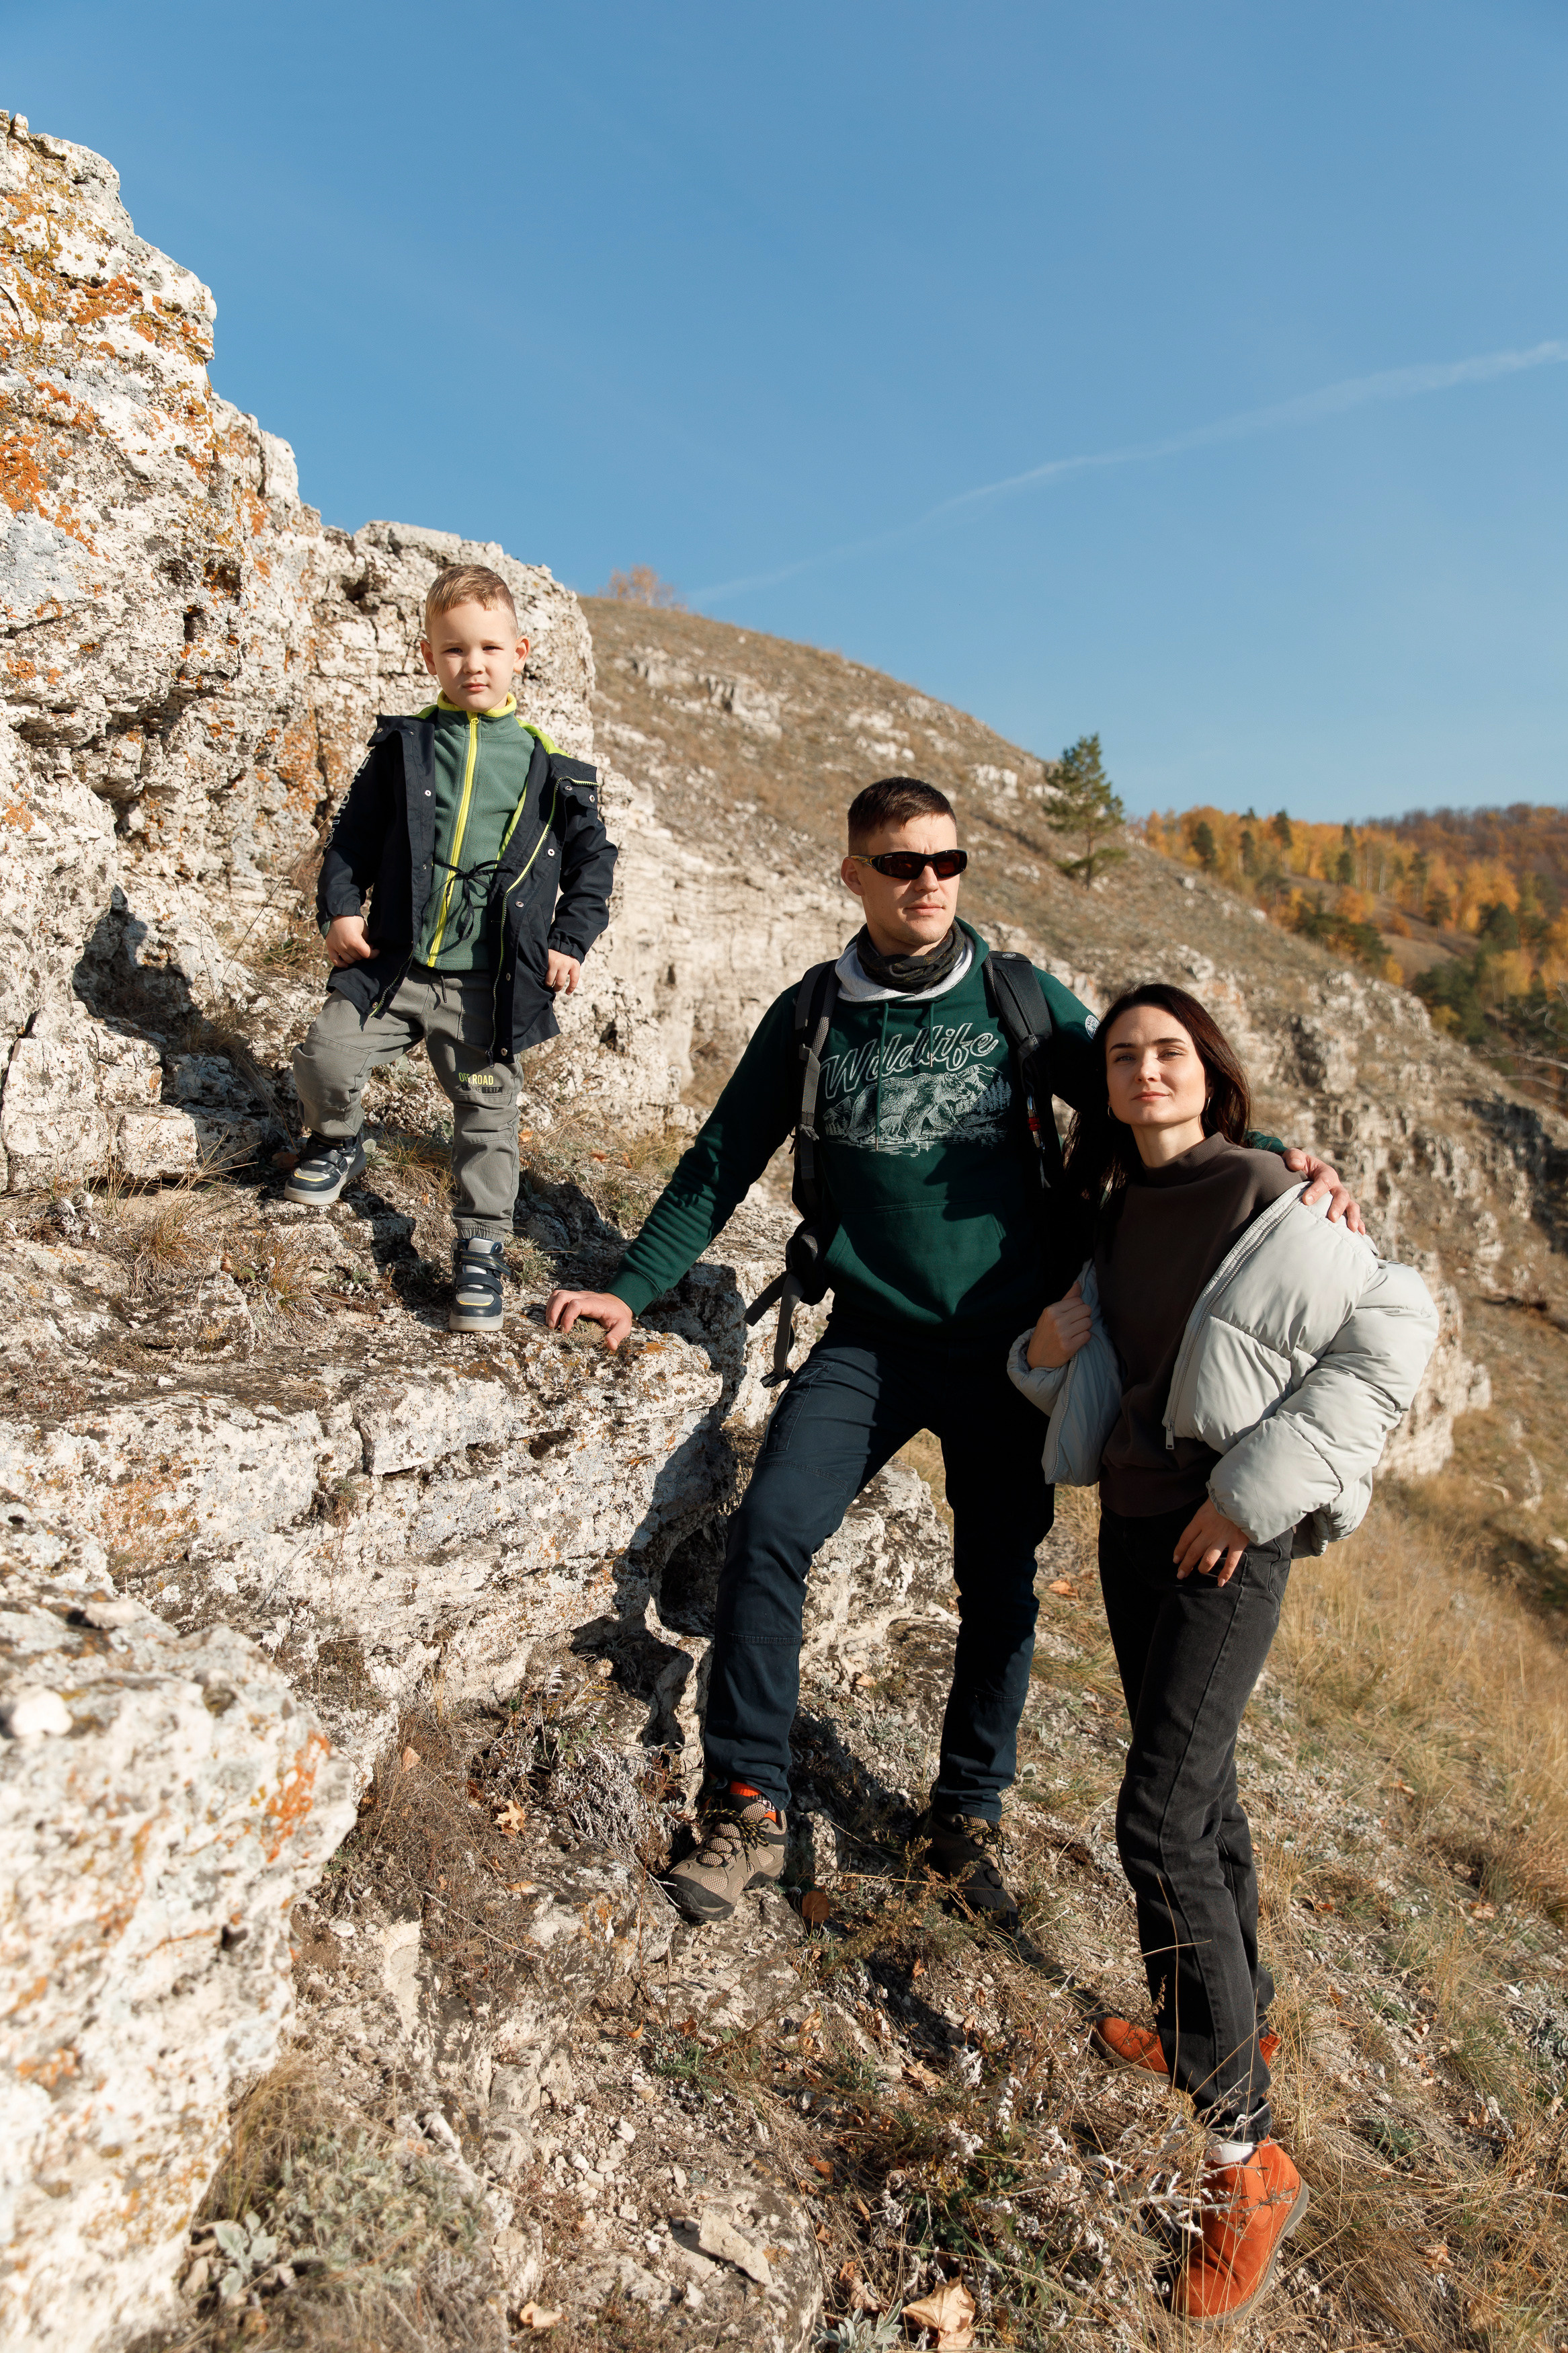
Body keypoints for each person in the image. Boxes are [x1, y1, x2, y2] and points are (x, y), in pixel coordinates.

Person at [546, 778, 1360, 1929]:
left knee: (998, 1586)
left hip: (1015, 1355)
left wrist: (1279, 1162)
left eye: (946, 861)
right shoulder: (812, 1014)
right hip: (871, 1339)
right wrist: (631, 1288)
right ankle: (749, 1805)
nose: (926, 882)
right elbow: (719, 1157)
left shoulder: (1019, 1001)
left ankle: (963, 1814)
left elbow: (1152, 1104)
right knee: (770, 1530)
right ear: (853, 877)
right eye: (898, 864)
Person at [1008, 982, 1436, 2326]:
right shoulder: (1110, 1211)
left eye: (1168, 1051)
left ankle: (1239, 2156)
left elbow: (1389, 1336)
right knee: (1201, 1795)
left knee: (1154, 1820)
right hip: (1134, 1527)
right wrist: (1037, 1352)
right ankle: (1220, 2026)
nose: (1146, 1070)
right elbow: (1102, 1371)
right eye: (1124, 1055)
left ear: (1209, 1070)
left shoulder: (1274, 1189)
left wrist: (1249, 1494)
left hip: (1228, 1535)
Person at [287, 565, 616, 1331]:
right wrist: (340, 910)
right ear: (427, 656)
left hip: (487, 986)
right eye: (455, 649)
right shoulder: (405, 745)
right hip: (395, 965)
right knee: (326, 1055)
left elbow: (593, 863)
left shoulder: (549, 766)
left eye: (490, 648)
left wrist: (570, 940)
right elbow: (351, 843)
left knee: (486, 1119)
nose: (474, 664)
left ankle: (481, 1250)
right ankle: (336, 1140)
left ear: (521, 652)